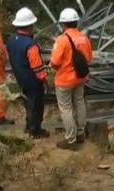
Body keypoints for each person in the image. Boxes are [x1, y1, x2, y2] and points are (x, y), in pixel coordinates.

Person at [50, 8, 92, 150]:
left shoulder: (61, 40)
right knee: (79, 103)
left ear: (63, 24)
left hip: (64, 80)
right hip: (80, 78)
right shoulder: (84, 38)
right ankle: (81, 133)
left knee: (66, 108)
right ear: (76, 22)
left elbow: (54, 63)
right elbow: (89, 59)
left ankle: (71, 139)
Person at [6, 8, 49, 139]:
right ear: (30, 26)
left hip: (20, 77)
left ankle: (28, 125)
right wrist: (45, 80)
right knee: (36, 105)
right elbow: (37, 67)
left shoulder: (12, 40)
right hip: (32, 80)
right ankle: (35, 130)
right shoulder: (31, 45)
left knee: (28, 102)